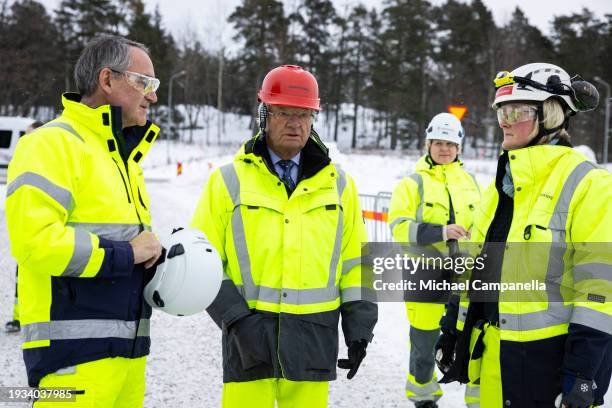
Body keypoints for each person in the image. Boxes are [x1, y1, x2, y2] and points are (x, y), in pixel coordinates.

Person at [191, 64, 378, 408]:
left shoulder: (339, 186)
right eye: (284, 113)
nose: (295, 123)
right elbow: (200, 263)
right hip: (248, 337)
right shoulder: (228, 182)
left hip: (313, 337)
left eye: (304, 114)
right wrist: (235, 319)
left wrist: (360, 326)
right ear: (265, 115)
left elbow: (357, 263)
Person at [440, 62, 612, 408]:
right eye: (502, 111)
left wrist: (583, 374)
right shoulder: (499, 188)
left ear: (551, 115)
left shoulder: (589, 183)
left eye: (517, 111)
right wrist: (453, 328)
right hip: (488, 356)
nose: (504, 121)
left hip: (547, 367)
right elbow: (476, 270)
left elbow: (600, 288)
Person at [6, 34, 163, 407]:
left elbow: (127, 248)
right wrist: (128, 253)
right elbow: (36, 242)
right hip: (71, 362)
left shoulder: (122, 158)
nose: (153, 96)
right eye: (145, 83)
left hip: (128, 358)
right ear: (107, 80)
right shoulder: (50, 144)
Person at [388, 113, 482, 408]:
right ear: (428, 145)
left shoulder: (471, 182)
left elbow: (481, 224)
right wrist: (440, 231)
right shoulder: (411, 184)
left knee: (471, 338)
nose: (445, 149)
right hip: (424, 274)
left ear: (459, 148)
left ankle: (478, 400)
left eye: (451, 144)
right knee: (425, 342)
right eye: (439, 143)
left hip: (464, 276)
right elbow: (399, 228)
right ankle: (423, 396)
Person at [4, 120, 43, 335]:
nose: (28, 139)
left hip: (44, 227)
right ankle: (18, 318)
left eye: (32, 135)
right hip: (26, 226)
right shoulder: (23, 158)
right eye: (26, 135)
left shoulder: (49, 158)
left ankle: (33, 318)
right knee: (23, 276)